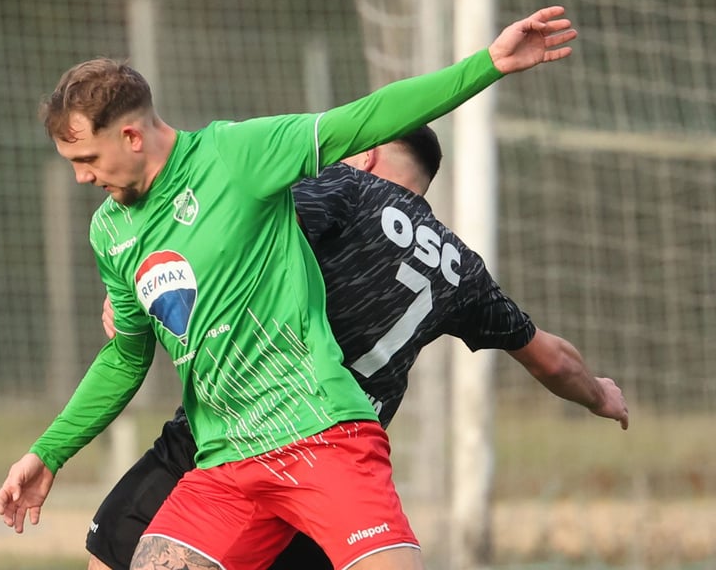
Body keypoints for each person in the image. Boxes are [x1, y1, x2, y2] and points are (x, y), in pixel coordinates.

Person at [0, 6, 584, 570]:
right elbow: (125, 359)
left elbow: (368, 115)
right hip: (225, 457)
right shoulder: (110, 231)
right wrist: (48, 453)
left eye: (87, 158)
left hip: (322, 431)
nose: (80, 176)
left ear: (130, 136)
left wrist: (488, 63)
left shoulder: (237, 155)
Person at [87, 125, 628, 570]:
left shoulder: (345, 187)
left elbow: (225, 233)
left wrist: (137, 287)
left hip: (237, 427)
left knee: (113, 556)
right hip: (337, 463)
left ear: (365, 152)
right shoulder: (463, 269)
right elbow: (551, 358)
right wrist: (599, 395)